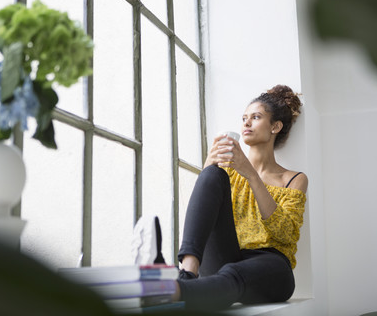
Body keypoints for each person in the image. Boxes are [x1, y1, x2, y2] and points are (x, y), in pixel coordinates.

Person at [132, 84, 308, 311]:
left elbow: (285, 234)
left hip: (271, 267)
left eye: (255, 117)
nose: (246, 122)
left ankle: (170, 289)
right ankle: (186, 273)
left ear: (275, 126)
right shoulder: (228, 171)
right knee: (213, 174)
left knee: (233, 275)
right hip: (226, 257)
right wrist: (208, 165)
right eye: (244, 117)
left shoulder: (293, 179)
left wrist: (252, 175)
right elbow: (204, 215)